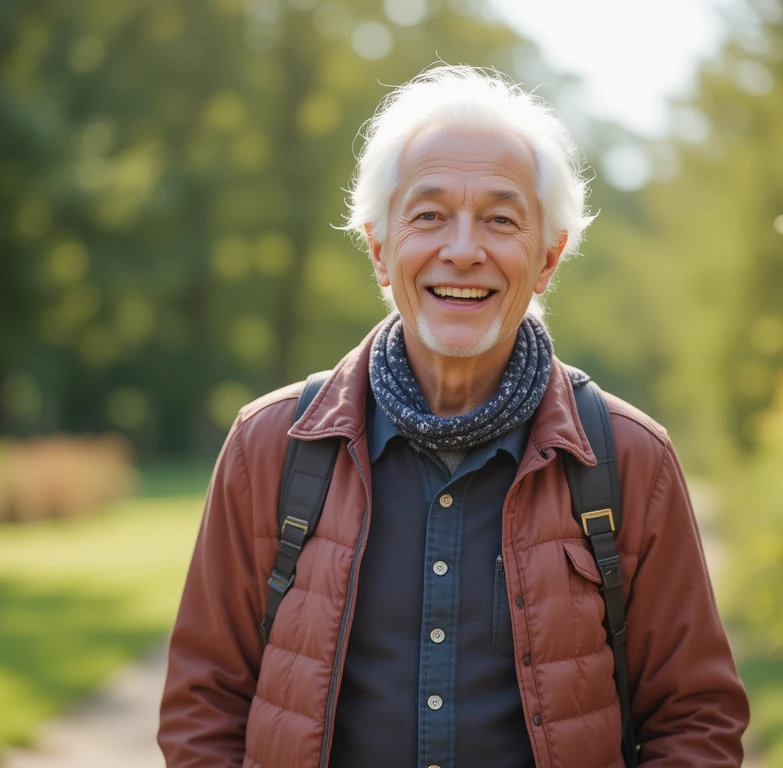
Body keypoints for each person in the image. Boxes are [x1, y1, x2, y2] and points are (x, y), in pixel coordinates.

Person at [158, 65, 749, 768]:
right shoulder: (269, 445)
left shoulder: (630, 457)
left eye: (500, 219)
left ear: (548, 258)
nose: (463, 250)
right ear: (380, 251)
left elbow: (696, 720)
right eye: (429, 216)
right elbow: (203, 708)